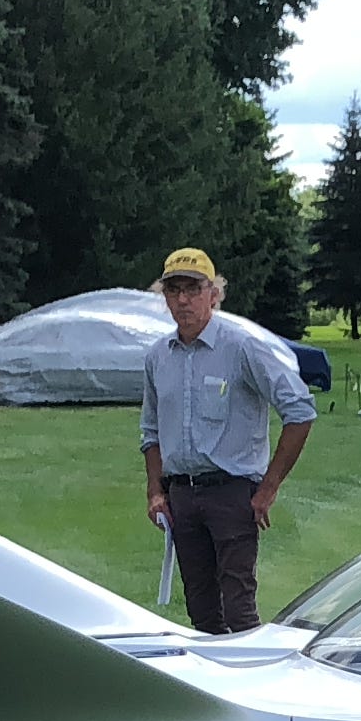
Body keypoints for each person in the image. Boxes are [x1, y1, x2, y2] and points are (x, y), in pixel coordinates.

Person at [138, 247, 313, 633]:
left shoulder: (241, 348)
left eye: (193, 288)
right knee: (201, 616)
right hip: (182, 495)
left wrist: (268, 488)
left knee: (239, 611)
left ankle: (253, 687)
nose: (183, 300)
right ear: (163, 296)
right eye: (173, 290)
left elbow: (299, 410)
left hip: (233, 494)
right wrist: (155, 491)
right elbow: (150, 432)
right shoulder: (158, 357)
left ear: (213, 294)